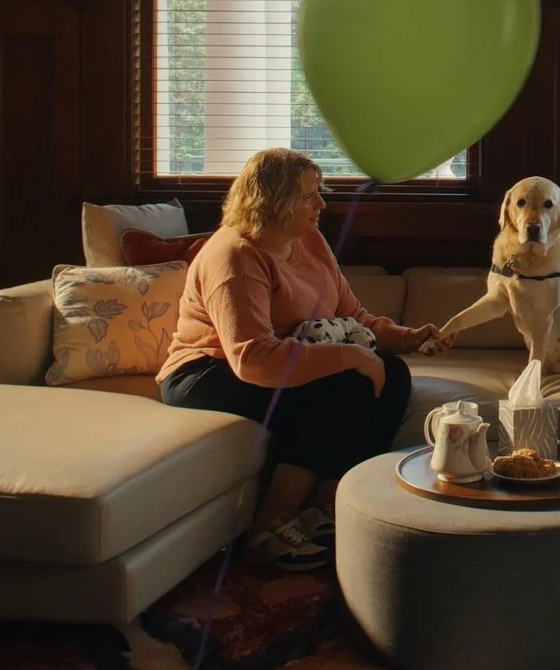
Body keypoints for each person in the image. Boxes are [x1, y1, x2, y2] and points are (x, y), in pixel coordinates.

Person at [157, 148, 448, 571]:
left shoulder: (308, 240)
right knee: (341, 388)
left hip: (275, 357)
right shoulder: (235, 255)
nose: (322, 205)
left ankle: (321, 505)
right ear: (274, 202)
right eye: (310, 196)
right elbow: (251, 357)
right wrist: (347, 356)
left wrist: (409, 337)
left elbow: (354, 315)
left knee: (393, 373)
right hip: (205, 371)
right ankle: (267, 526)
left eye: (319, 194)